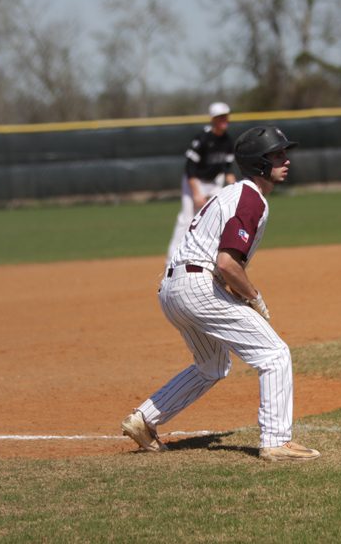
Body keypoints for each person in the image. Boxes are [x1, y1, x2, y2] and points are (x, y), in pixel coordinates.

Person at [122, 125, 320, 462]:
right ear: (259, 163)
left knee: (212, 365)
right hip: (198, 285)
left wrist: (242, 296)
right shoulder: (251, 199)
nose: (286, 160)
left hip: (172, 288)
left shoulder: (232, 194)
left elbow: (223, 265)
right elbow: (227, 263)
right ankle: (276, 441)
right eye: (277, 154)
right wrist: (255, 298)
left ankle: (145, 420)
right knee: (274, 354)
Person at [165, 101, 237, 265]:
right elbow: (190, 167)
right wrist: (196, 192)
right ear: (213, 119)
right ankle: (171, 261)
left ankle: (219, 257)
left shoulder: (227, 141)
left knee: (221, 217)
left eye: (226, 116)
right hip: (194, 181)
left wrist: (234, 188)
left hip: (213, 182)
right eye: (220, 117)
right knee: (187, 219)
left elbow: (227, 168)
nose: (224, 119)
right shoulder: (203, 139)